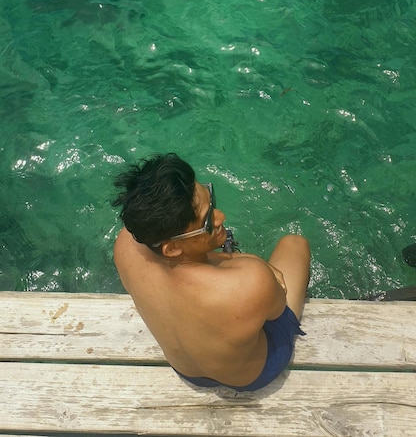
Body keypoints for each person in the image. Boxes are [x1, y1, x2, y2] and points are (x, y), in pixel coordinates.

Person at [112, 153, 311, 392]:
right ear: (173, 248)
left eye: (211, 198)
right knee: (294, 244)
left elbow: (177, 271)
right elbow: (277, 309)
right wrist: (255, 265)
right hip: (251, 375)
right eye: (207, 222)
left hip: (187, 371)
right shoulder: (252, 280)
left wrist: (232, 260)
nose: (221, 217)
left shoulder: (125, 245)